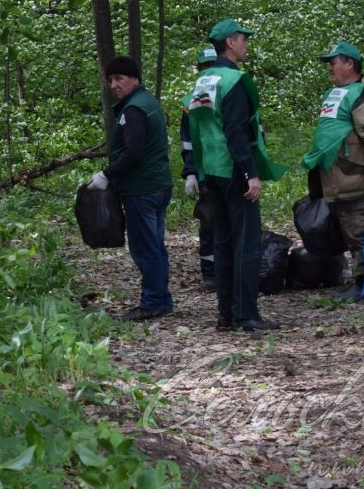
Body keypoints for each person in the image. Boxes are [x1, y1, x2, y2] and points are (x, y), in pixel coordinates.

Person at [187, 19, 287, 331]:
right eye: (244, 39)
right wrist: (250, 173)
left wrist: (197, 172)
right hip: (232, 169)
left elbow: (195, 128)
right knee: (247, 243)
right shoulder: (234, 80)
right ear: (230, 42)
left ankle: (225, 316)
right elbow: (236, 131)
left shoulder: (203, 80)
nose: (246, 45)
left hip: (211, 171)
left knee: (223, 242)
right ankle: (246, 313)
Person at [301, 41, 364, 301]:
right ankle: (360, 280)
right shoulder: (337, 93)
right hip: (338, 179)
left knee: (361, 232)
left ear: (349, 63)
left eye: (333, 62)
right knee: (349, 231)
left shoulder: (363, 94)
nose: (329, 68)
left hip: (356, 177)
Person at [87, 56, 174, 321]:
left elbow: (134, 153)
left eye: (119, 79)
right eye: (110, 80)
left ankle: (153, 302)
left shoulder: (134, 110)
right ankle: (161, 298)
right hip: (157, 185)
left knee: (146, 247)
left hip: (142, 189)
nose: (113, 85)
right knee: (155, 245)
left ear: (134, 79)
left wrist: (106, 174)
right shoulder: (147, 103)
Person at [180, 46, 218, 291]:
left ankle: (233, 269)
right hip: (206, 174)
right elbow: (188, 140)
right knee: (209, 223)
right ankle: (210, 274)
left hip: (230, 171)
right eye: (205, 66)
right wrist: (190, 172)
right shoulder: (190, 103)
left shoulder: (232, 93)